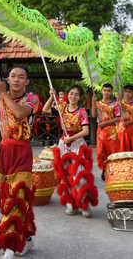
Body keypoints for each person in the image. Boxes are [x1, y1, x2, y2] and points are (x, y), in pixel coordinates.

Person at [0, 35, 39, 258]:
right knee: (7, 195)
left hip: (22, 151)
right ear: (8, 79)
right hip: (4, 150)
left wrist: (2, 92)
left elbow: (20, 114)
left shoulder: (32, 99)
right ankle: (27, 238)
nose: (16, 79)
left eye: (21, 77)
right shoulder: (1, 95)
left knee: (18, 194)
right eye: (13, 76)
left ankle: (10, 245)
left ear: (27, 82)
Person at [42, 85, 98, 218]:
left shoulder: (82, 112)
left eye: (76, 95)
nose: (73, 97)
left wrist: (71, 138)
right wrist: (52, 96)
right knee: (65, 174)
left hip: (77, 143)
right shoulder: (61, 108)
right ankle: (70, 204)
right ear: (68, 95)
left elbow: (85, 131)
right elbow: (44, 109)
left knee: (79, 176)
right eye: (71, 94)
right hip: (64, 144)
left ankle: (84, 204)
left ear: (80, 97)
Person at [91, 83, 120, 180]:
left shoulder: (115, 104)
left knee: (112, 151)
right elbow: (93, 115)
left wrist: (105, 123)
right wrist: (92, 103)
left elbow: (118, 118)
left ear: (111, 92)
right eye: (105, 90)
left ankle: (113, 170)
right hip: (101, 131)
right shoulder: (98, 103)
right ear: (101, 91)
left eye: (108, 91)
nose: (106, 92)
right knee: (100, 152)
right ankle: (104, 169)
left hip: (111, 131)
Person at [117, 84, 133, 152]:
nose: (127, 94)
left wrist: (128, 122)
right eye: (126, 91)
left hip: (132, 128)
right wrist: (121, 90)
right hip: (122, 128)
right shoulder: (120, 103)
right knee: (122, 147)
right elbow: (118, 99)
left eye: (129, 92)